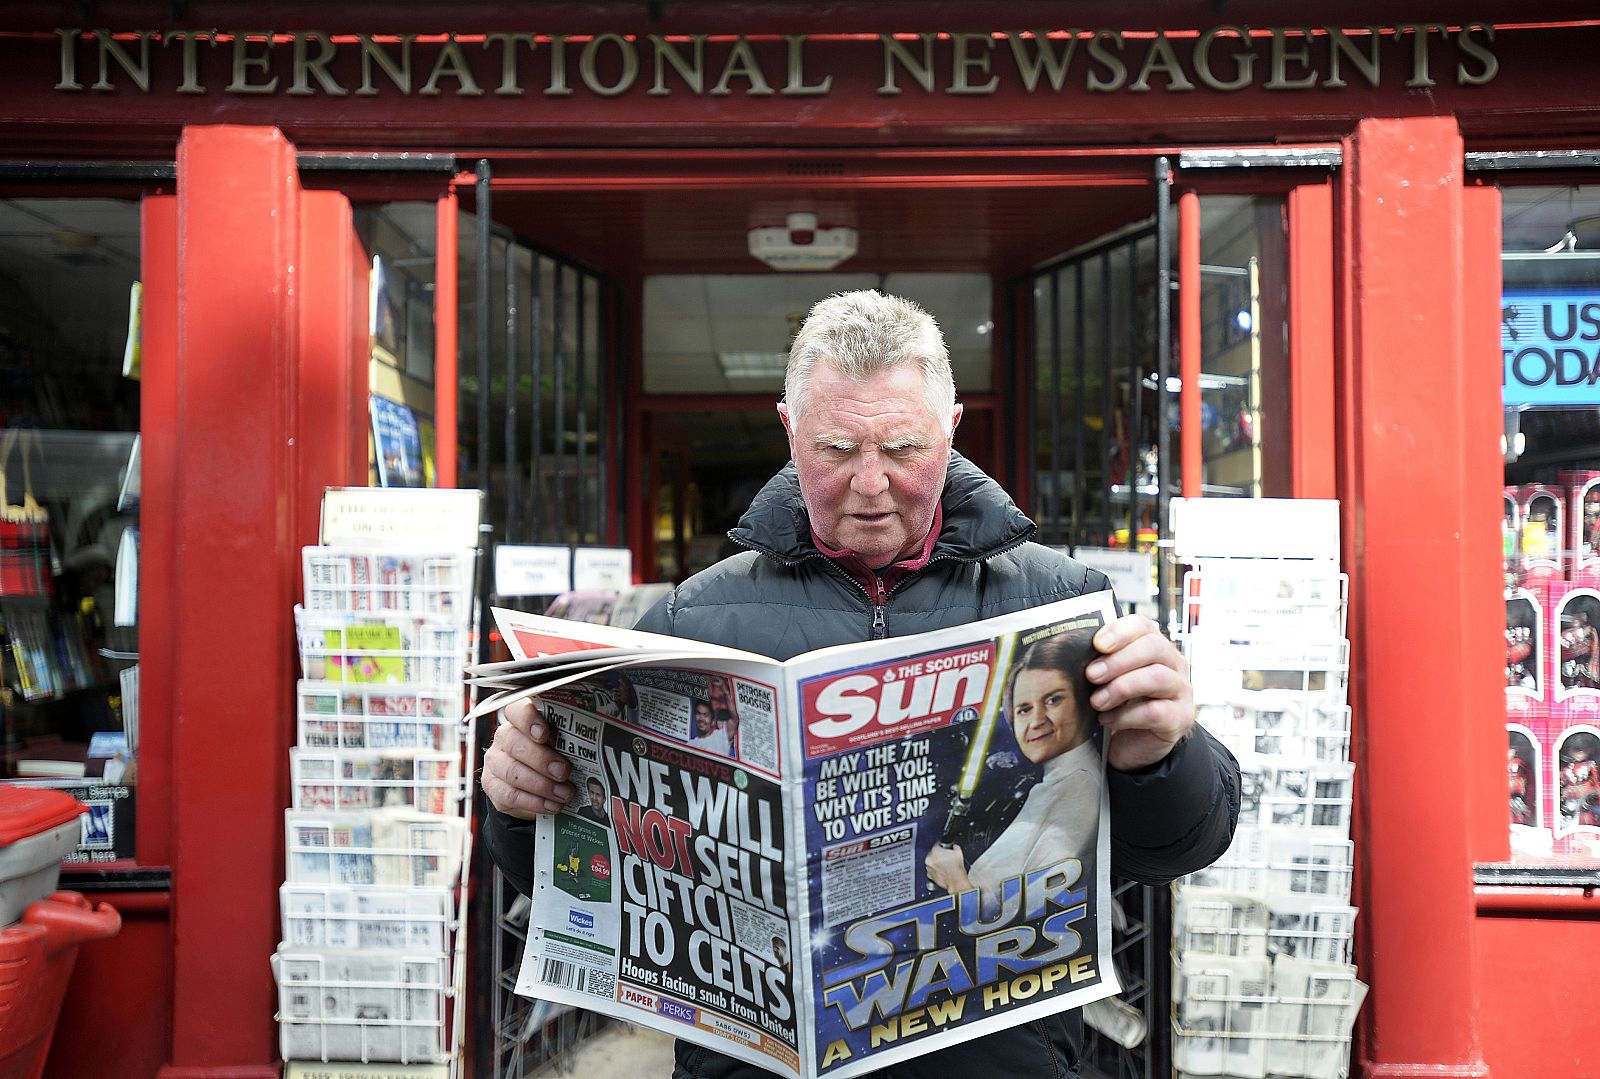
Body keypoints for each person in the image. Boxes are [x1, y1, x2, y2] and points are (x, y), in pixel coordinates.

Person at [481, 289, 1241, 1079]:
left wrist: (1161, 755)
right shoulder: (693, 617)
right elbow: (568, 874)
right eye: (837, 449)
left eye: (904, 448)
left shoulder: (1061, 604)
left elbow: (1184, 844)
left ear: (950, 431)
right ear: (789, 430)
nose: (871, 484)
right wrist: (517, 802)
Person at [924, 629, 1101, 914]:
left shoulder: (1080, 786)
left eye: (1054, 700)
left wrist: (954, 880)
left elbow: (1035, 915)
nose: (1036, 721)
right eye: (1023, 709)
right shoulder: (1059, 782)